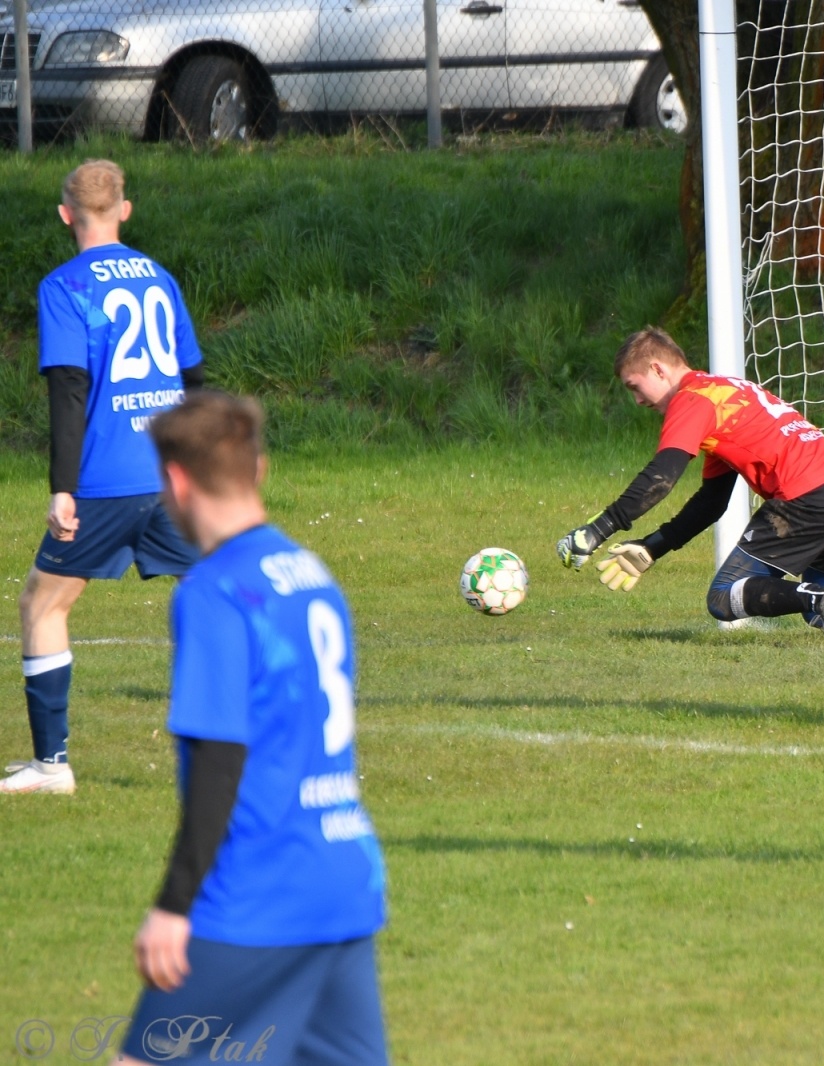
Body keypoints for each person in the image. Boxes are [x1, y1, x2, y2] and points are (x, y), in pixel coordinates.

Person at [116, 391, 389, 1065]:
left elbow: (218, 757)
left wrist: (175, 905)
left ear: (176, 481)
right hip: (344, 880)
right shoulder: (312, 574)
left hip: (257, 896)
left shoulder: (215, 590)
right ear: (257, 471)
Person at [557, 327, 824, 647]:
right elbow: (711, 502)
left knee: (722, 596)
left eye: (635, 386)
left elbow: (662, 475)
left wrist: (599, 528)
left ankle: (822, 598)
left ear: (659, 370)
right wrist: (653, 547)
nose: (638, 400)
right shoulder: (726, 391)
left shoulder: (691, 401)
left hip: (810, 492)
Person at [3, 159, 204, 796]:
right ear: (125, 209)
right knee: (224, 592)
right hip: (172, 478)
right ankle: (264, 735)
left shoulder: (65, 287)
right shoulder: (161, 278)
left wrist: (62, 488)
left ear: (66, 215)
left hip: (105, 483)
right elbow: (194, 383)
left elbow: (69, 389)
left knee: (43, 601)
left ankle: (51, 766)